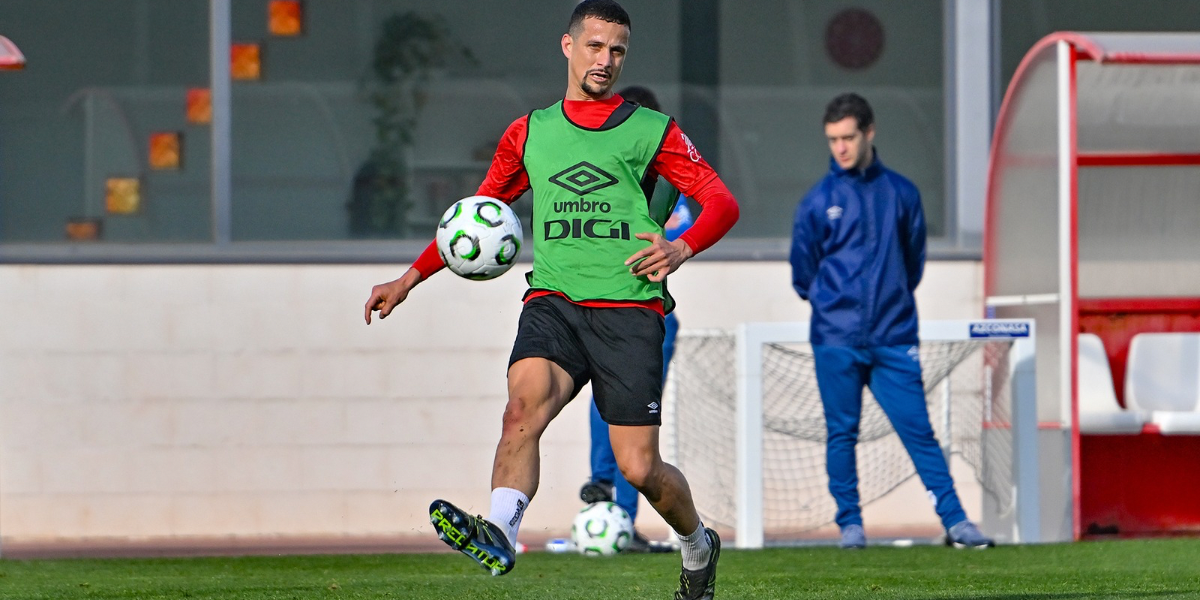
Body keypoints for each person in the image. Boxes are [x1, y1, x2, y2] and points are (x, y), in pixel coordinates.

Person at [364, 2, 739, 597]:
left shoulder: (652, 130)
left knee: (638, 466)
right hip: (554, 301)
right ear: (568, 46)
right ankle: (502, 532)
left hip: (628, 309)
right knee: (521, 408)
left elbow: (722, 202)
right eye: (595, 45)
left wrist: (681, 247)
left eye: (617, 50)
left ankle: (697, 544)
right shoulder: (529, 132)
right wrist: (409, 279)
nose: (605, 60)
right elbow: (476, 220)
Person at [789, 92, 994, 551]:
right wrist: (834, 306)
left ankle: (956, 521)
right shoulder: (817, 201)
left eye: (848, 137)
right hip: (836, 339)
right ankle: (851, 526)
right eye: (833, 140)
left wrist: (890, 300)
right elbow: (803, 275)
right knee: (842, 434)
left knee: (919, 431)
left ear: (869, 133)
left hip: (894, 337)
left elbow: (913, 263)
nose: (840, 147)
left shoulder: (902, 193)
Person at [577, 85, 690, 555]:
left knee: (633, 413)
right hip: (603, 305)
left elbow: (680, 230)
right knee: (607, 398)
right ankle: (604, 486)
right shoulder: (604, 171)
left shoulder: (666, 178)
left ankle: (619, 508)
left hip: (643, 309)